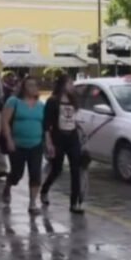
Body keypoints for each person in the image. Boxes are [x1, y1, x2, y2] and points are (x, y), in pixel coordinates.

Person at [1, 76, 45, 215]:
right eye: (29, 85)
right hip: (18, 144)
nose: (33, 88)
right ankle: (8, 185)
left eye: (35, 85)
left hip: (36, 144)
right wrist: (9, 139)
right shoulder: (14, 102)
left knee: (35, 174)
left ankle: (32, 203)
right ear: (24, 87)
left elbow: (45, 125)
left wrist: (48, 142)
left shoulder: (41, 105)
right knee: (17, 174)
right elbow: (5, 122)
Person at [41, 75, 84, 214]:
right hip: (58, 138)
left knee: (76, 169)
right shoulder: (53, 101)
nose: (72, 85)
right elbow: (47, 124)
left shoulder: (74, 100)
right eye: (70, 83)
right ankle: (45, 189)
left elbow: (73, 118)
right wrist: (49, 142)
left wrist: (79, 127)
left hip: (72, 138)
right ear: (63, 85)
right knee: (57, 169)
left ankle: (74, 203)